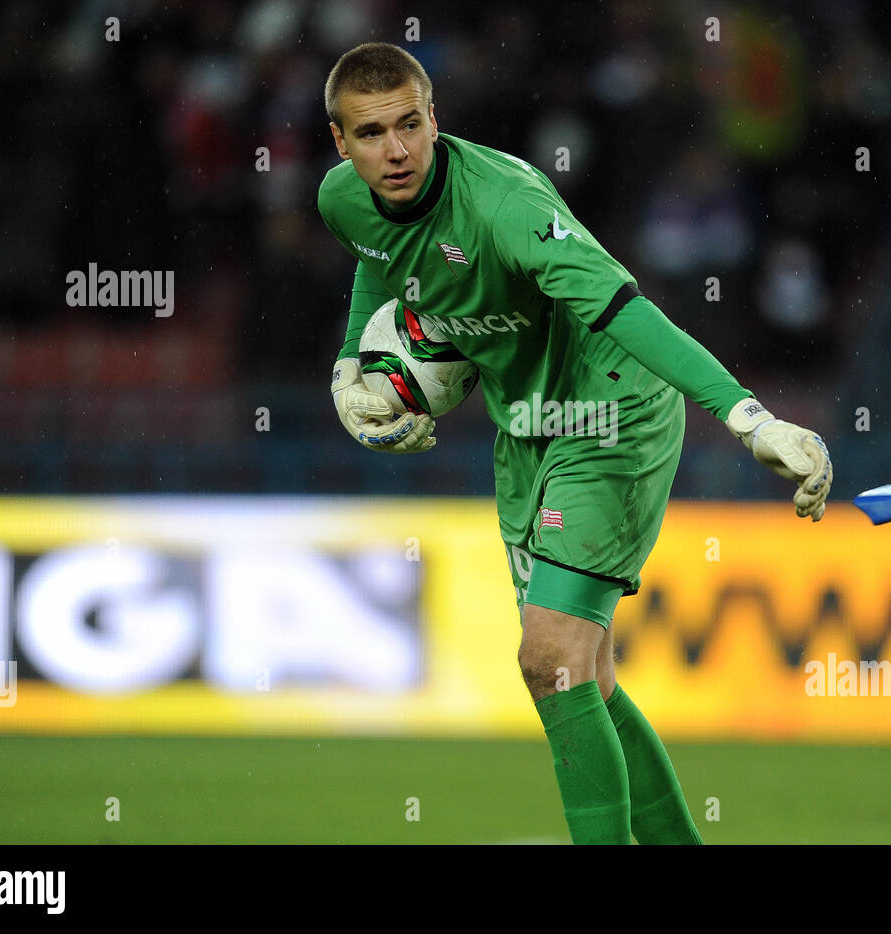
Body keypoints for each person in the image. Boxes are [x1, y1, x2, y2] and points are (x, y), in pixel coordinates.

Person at [319, 42, 832, 845]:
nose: (397, 149)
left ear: (434, 119)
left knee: (549, 656)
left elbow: (630, 311)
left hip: (612, 412)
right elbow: (377, 261)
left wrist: (747, 417)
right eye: (373, 133)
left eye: (411, 124)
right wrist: (354, 360)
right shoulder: (342, 201)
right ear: (339, 143)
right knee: (581, 675)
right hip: (525, 427)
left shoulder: (506, 207)